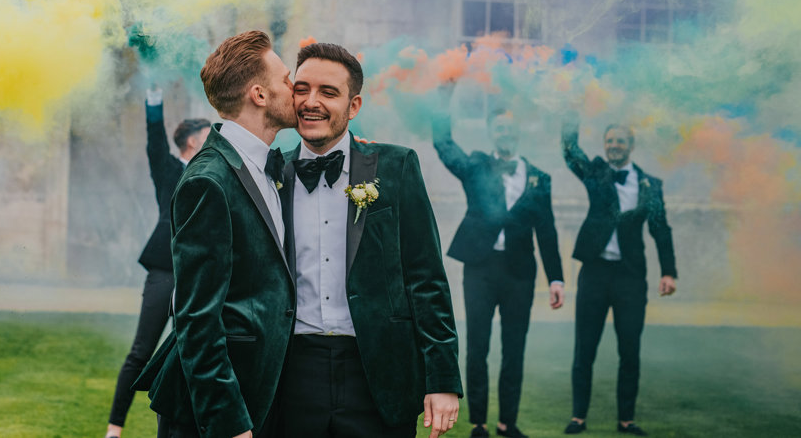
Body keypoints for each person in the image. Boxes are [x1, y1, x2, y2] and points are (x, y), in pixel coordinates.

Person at [278, 42, 462, 438]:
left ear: (354, 105)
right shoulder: (271, 171)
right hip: (289, 377)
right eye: (302, 88)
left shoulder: (396, 166)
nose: (312, 101)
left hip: (379, 372)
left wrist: (442, 378)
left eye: (329, 92)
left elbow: (426, 277)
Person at [136, 30, 298, 438]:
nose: (294, 89)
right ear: (259, 95)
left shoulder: (265, 166)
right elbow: (195, 318)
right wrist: (229, 422)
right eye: (286, 79)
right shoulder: (208, 181)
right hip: (215, 414)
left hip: (260, 395)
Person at [432, 96, 565, 438]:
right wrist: (443, 96)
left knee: (514, 349)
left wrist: (557, 278)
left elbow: (547, 230)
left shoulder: (539, 178)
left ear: (518, 131)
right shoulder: (475, 165)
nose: (505, 131)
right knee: (478, 347)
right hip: (480, 269)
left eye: (510, 126)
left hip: (520, 272)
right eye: (499, 127)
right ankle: (478, 423)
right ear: (492, 132)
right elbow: (443, 143)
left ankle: (508, 423)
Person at [561, 113, 677, 436]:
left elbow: (660, 229)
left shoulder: (650, 185)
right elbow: (570, 151)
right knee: (584, 348)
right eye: (609, 140)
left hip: (629, 277)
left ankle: (626, 420)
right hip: (594, 273)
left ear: (631, 146)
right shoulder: (596, 173)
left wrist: (668, 272)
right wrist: (569, 108)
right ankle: (578, 418)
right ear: (604, 145)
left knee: (630, 350)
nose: (614, 145)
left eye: (620, 141)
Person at [105, 88, 210, 438]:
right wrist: (152, 93)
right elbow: (154, 140)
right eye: (209, 138)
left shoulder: (215, 173)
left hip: (198, 276)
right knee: (141, 352)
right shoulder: (167, 169)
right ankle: (114, 428)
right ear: (192, 142)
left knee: (191, 355)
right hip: (164, 271)